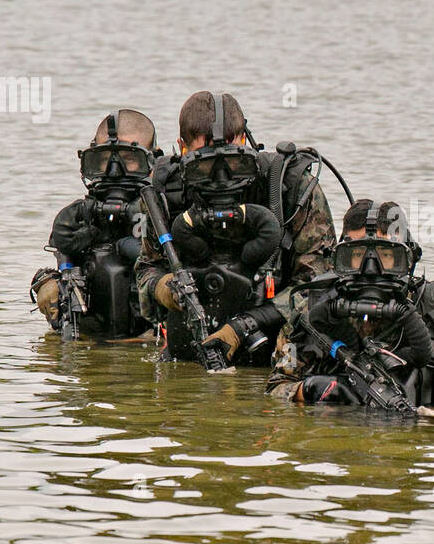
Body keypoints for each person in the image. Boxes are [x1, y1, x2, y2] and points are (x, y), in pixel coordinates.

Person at [134, 91, 347, 366]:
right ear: (181, 148)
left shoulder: (289, 187)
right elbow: (146, 269)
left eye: (232, 162)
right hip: (190, 348)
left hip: (276, 343)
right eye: (204, 164)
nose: (220, 178)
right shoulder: (164, 192)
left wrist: (245, 325)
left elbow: (319, 286)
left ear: (245, 142)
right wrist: (164, 288)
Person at [266, 200, 434, 413]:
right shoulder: (311, 312)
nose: (370, 268)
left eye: (386, 255)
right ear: (339, 259)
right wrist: (308, 391)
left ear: (407, 259)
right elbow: (276, 387)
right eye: (357, 255)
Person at [30, 109, 160, 339]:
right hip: (93, 331)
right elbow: (63, 251)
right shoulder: (83, 212)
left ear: (151, 158)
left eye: (129, 158)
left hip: (150, 332)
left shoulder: (164, 207)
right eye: (104, 159)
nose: (114, 170)